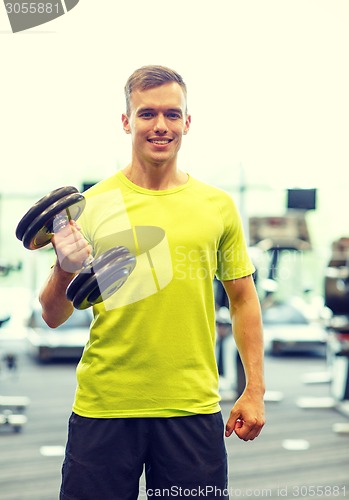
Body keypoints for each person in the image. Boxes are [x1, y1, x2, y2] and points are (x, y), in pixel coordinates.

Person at [39, 65, 265, 500]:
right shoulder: (91, 206)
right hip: (105, 407)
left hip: (191, 408)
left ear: (187, 122)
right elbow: (52, 314)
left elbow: (243, 301)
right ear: (126, 121)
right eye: (146, 114)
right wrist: (64, 267)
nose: (160, 126)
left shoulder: (216, 206)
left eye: (172, 114)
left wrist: (254, 389)